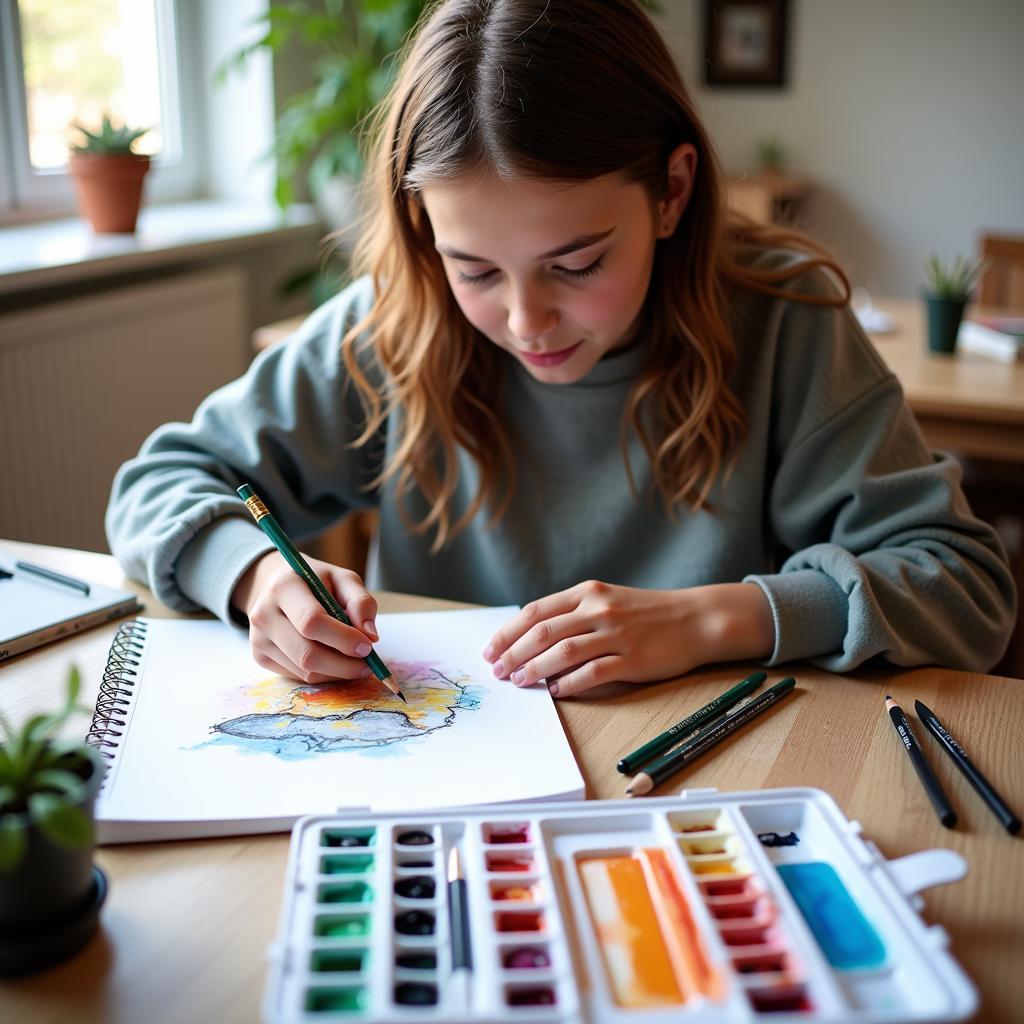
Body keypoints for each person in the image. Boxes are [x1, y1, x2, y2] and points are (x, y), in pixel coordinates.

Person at [106, 0, 1015, 697]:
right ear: (428, 235)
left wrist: (711, 618)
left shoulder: (784, 318)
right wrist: (255, 575)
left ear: (672, 190)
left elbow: (966, 586)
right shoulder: (400, 318)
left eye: (577, 263)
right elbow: (157, 483)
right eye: (475, 268)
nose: (526, 319)